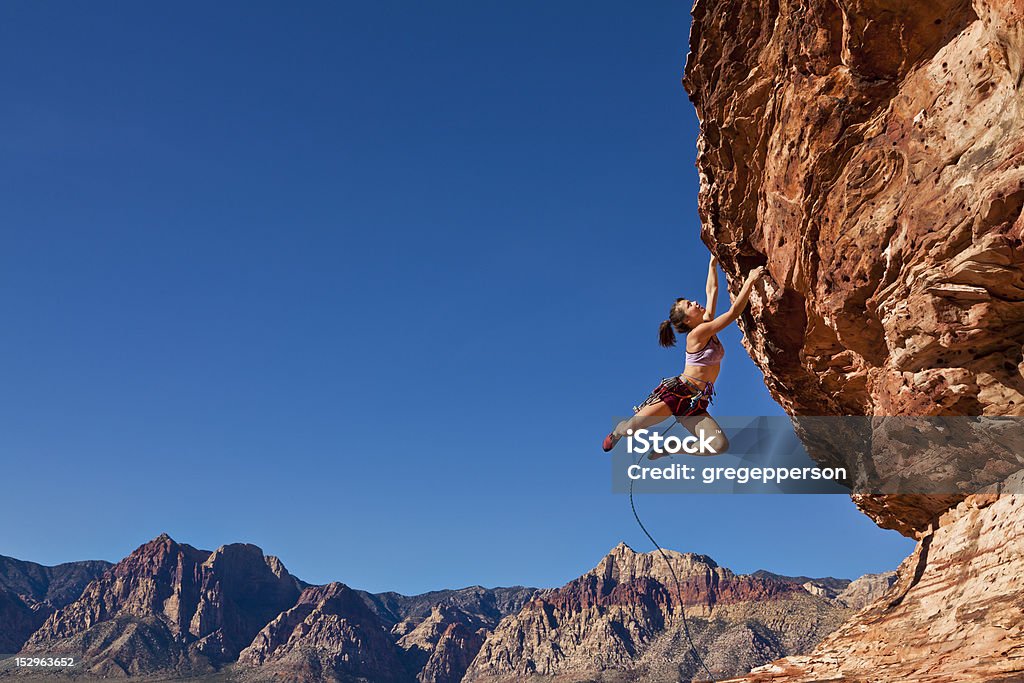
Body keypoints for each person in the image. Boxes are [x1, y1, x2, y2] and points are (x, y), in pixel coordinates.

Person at [602, 256, 766, 457]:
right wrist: (750, 281)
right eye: (689, 305)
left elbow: (712, 291)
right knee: (630, 430)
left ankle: (673, 448)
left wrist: (711, 264)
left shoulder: (705, 325)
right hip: (676, 393)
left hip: (695, 402)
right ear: (688, 320)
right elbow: (732, 314)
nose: (695, 303)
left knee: (719, 445)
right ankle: (618, 431)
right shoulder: (696, 335)